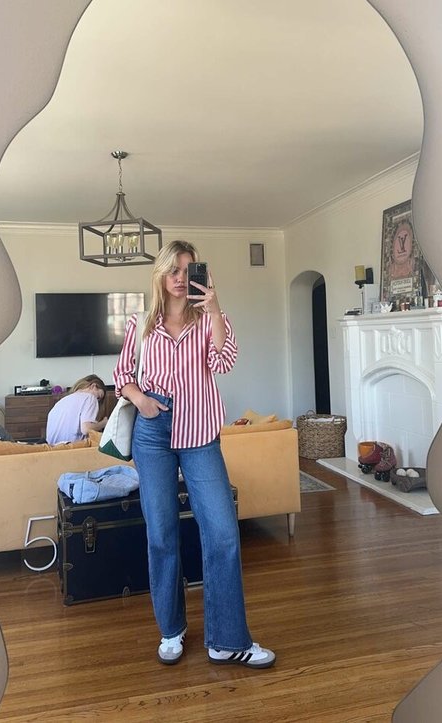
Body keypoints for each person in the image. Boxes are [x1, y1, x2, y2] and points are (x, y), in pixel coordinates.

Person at [113, 240, 275, 669]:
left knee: (222, 531)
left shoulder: (209, 321)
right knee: (162, 533)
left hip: (200, 432)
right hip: (153, 433)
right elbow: (122, 375)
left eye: (189, 270)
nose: (182, 279)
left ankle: (227, 639)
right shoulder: (140, 325)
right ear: (161, 276)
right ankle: (171, 629)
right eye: (174, 270)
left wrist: (216, 309)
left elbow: (223, 363)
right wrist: (142, 401)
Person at [46, 375, 108, 445]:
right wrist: (104, 423)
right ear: (93, 386)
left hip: (52, 449)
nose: (97, 401)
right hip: (72, 448)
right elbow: (86, 429)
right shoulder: (90, 397)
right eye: (99, 397)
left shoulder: (62, 401)